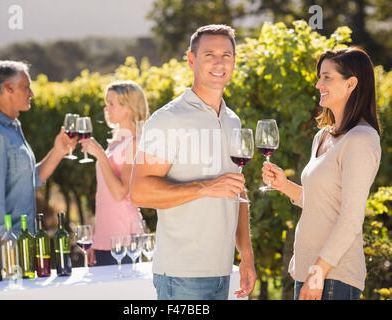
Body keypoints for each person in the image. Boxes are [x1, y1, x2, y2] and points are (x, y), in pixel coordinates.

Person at [130, 24, 257, 300]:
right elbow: (139, 192)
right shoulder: (167, 120)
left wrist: (246, 255)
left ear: (234, 61)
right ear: (191, 60)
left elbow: (237, 190)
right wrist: (205, 187)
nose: (219, 62)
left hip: (223, 271)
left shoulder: (232, 120)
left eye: (226, 55)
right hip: (181, 275)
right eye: (209, 54)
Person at [262, 47, 381, 300]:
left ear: (351, 84)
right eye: (319, 76)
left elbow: (350, 217)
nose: (318, 84)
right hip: (309, 271)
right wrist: (285, 186)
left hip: (333, 277)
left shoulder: (361, 139)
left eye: (327, 77)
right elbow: (323, 203)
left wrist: (319, 272)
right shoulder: (323, 136)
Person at [0, 60, 75, 250]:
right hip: (9, 247)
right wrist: (7, 250)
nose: (32, 93)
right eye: (26, 87)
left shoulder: (11, 127)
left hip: (23, 241)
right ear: (8, 88)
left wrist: (58, 151)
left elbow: (28, 180)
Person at [79, 80, 149, 266]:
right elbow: (104, 195)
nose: (106, 108)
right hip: (105, 236)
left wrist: (100, 155)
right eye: (106, 103)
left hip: (124, 235)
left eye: (112, 104)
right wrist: (96, 237)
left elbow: (120, 193)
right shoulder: (115, 143)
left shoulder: (135, 143)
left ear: (129, 108)